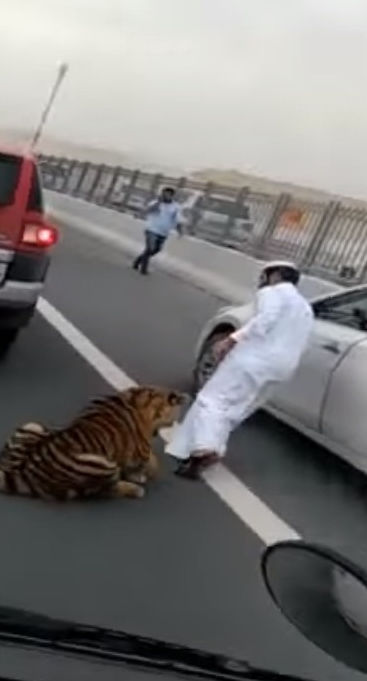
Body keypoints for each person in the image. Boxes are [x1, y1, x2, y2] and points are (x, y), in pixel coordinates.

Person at [166, 259, 314, 479]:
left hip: (253, 360)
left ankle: (204, 449)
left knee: (212, 400)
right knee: (236, 409)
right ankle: (196, 451)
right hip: (281, 369)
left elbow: (266, 319)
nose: (260, 282)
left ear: (273, 276)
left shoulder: (273, 292)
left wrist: (231, 339)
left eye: (263, 276)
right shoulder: (305, 307)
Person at [132, 187, 181, 275]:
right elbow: (148, 210)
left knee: (156, 249)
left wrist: (180, 231)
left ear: (172, 196)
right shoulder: (155, 203)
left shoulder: (176, 207)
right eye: (164, 194)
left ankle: (138, 260)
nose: (165, 196)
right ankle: (144, 269)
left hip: (163, 232)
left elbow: (177, 220)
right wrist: (158, 203)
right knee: (150, 247)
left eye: (168, 194)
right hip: (151, 229)